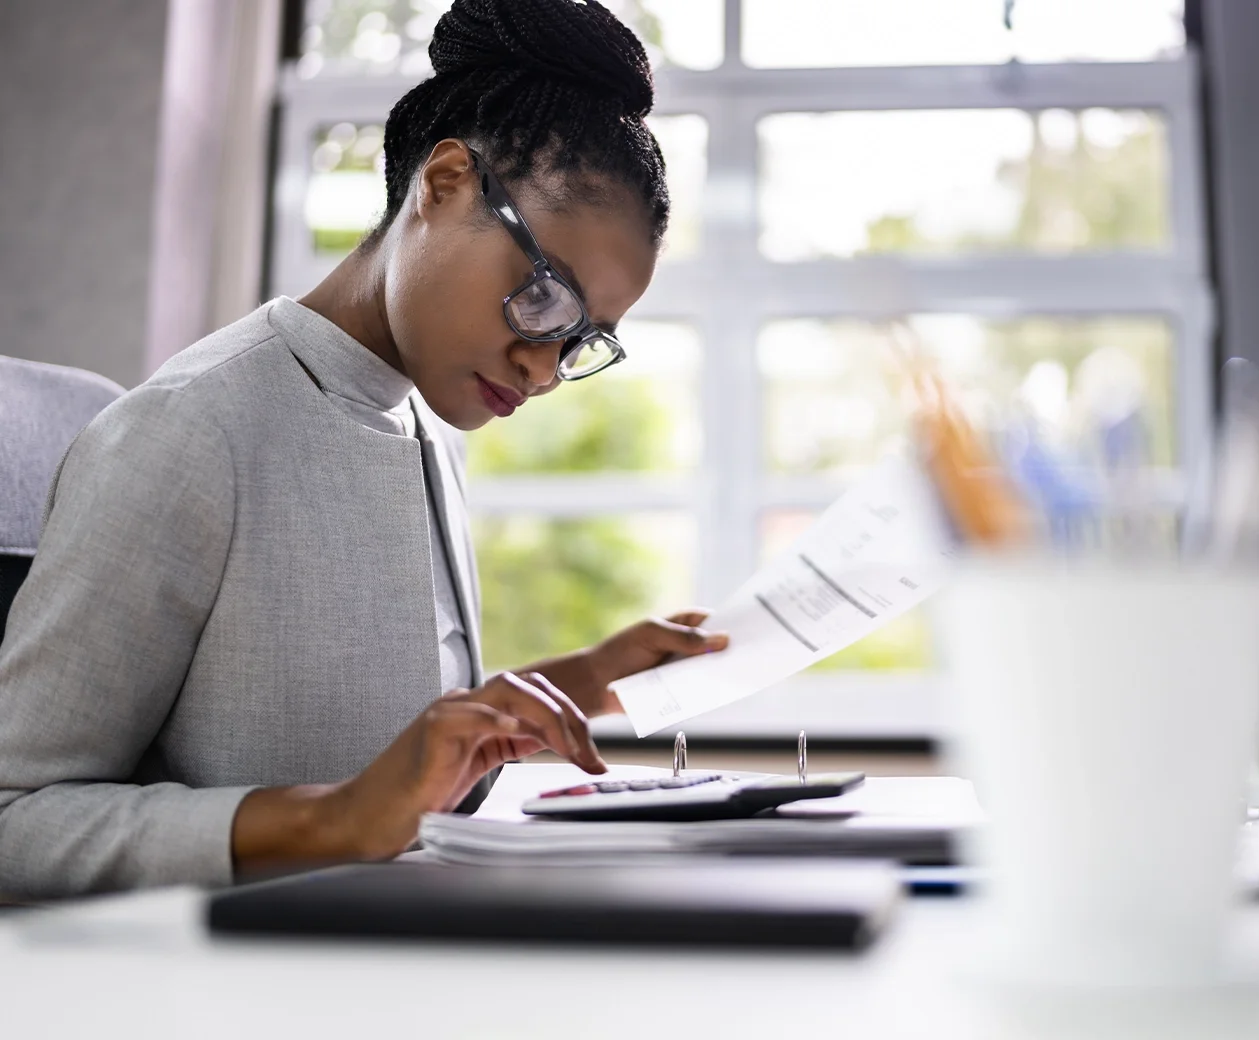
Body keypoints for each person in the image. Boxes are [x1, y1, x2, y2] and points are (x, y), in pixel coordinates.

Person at [0, 0, 727, 900]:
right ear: (446, 181)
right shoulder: (189, 432)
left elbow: (386, 752)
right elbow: (13, 815)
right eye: (544, 298)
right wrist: (330, 819)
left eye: (582, 342)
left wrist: (575, 682)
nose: (543, 370)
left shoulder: (425, 424)